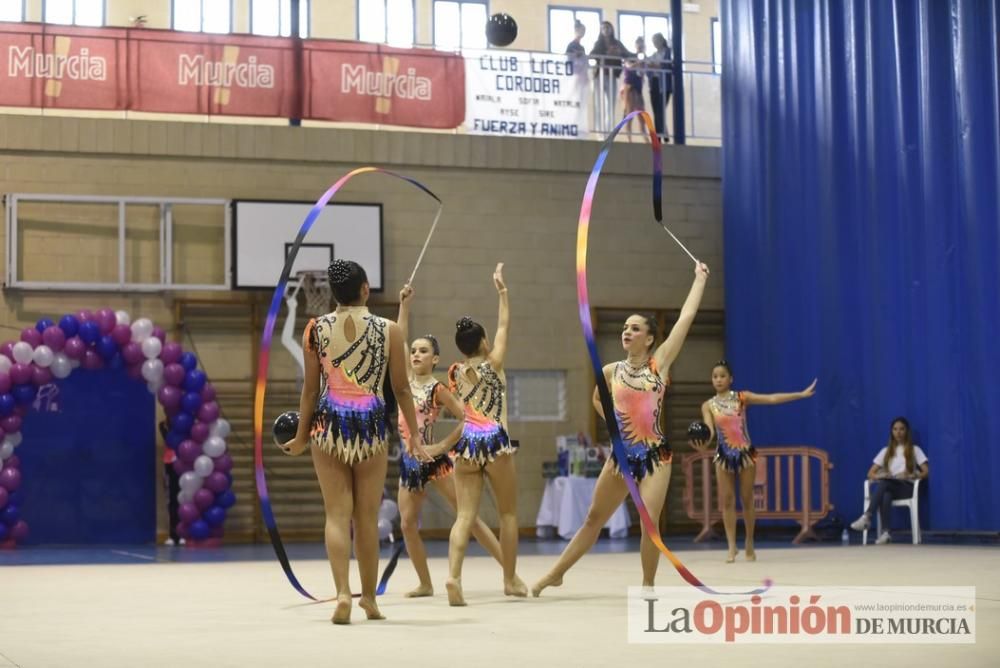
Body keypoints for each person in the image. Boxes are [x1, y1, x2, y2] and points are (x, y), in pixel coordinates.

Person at [532, 261, 710, 597]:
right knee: (592, 519)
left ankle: (647, 585)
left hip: (656, 457)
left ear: (650, 338)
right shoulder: (612, 371)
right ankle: (555, 574)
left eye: (635, 329)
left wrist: (699, 280)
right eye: (625, 328)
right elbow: (599, 400)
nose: (627, 332)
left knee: (649, 522)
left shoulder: (661, 363)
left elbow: (685, 319)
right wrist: (613, 425)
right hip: (621, 458)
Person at [281, 259, 431, 624]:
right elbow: (400, 388)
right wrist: (413, 437)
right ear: (366, 289)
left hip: (328, 426)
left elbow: (309, 391)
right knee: (366, 517)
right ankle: (370, 599)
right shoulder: (390, 330)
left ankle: (343, 594)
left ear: (333, 293)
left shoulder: (315, 329)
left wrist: (301, 437)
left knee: (336, 514)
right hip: (370, 427)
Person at [395, 284, 511, 598]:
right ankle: (425, 582)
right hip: (410, 461)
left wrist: (442, 445)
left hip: (437, 462)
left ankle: (508, 571)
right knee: (407, 524)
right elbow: (399, 339)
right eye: (415, 351)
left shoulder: (437, 388)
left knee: (468, 518)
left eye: (424, 351)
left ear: (435, 360)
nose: (416, 354)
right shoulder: (404, 379)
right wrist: (404, 305)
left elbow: (468, 418)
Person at [445, 263, 526, 606]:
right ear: (483, 341)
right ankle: (509, 579)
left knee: (465, 516)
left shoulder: (457, 372)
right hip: (494, 440)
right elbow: (505, 324)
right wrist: (502, 292)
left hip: (467, 444)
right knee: (507, 515)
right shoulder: (494, 363)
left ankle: (454, 577)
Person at [690, 362, 817, 562]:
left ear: (730, 379)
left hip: (745, 453)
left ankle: (749, 541)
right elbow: (710, 430)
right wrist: (702, 443)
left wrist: (799, 394)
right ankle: (731, 546)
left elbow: (772, 399)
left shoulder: (742, 397)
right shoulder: (708, 405)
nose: (718, 380)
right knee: (728, 500)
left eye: (722, 376)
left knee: (747, 498)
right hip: (722, 455)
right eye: (715, 376)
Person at [850, 417, 929, 544]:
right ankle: (886, 533)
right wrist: (881, 475)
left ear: (907, 431)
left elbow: (926, 472)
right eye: (895, 429)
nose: (898, 432)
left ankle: (867, 516)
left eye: (902, 429)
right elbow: (870, 473)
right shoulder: (885, 451)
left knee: (885, 485)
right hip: (891, 485)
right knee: (886, 491)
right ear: (891, 432)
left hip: (907, 488)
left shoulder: (915, 449)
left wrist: (912, 475)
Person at [590, 22, 630, 132]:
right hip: (599, 76)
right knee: (598, 104)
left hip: (612, 76)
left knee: (611, 105)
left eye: (607, 27)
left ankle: (608, 131)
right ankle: (600, 132)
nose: (606, 30)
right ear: (600, 31)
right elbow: (592, 55)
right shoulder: (598, 44)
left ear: (611, 29)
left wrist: (619, 53)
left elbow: (627, 54)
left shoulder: (617, 43)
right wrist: (606, 54)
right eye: (603, 28)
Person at [160, 420, 183, 546]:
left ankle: (182, 534)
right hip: (170, 467)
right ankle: (173, 535)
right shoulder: (166, 430)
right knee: (172, 503)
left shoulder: (183, 433)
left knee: (182, 501)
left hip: (182, 467)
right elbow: (162, 426)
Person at [647, 33, 673, 142]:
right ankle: (663, 133)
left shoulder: (668, 52)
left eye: (657, 40)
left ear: (662, 40)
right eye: (654, 41)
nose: (655, 43)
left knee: (660, 110)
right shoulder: (653, 55)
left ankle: (658, 135)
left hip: (665, 84)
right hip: (655, 83)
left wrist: (657, 66)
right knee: (656, 110)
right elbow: (648, 65)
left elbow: (668, 65)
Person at [621, 37, 648, 143]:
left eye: (642, 44)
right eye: (639, 44)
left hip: (638, 88)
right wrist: (638, 62)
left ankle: (645, 136)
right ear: (635, 45)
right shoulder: (631, 56)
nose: (640, 47)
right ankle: (629, 138)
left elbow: (643, 72)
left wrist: (643, 64)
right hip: (629, 87)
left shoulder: (644, 59)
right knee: (629, 111)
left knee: (641, 112)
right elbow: (628, 66)